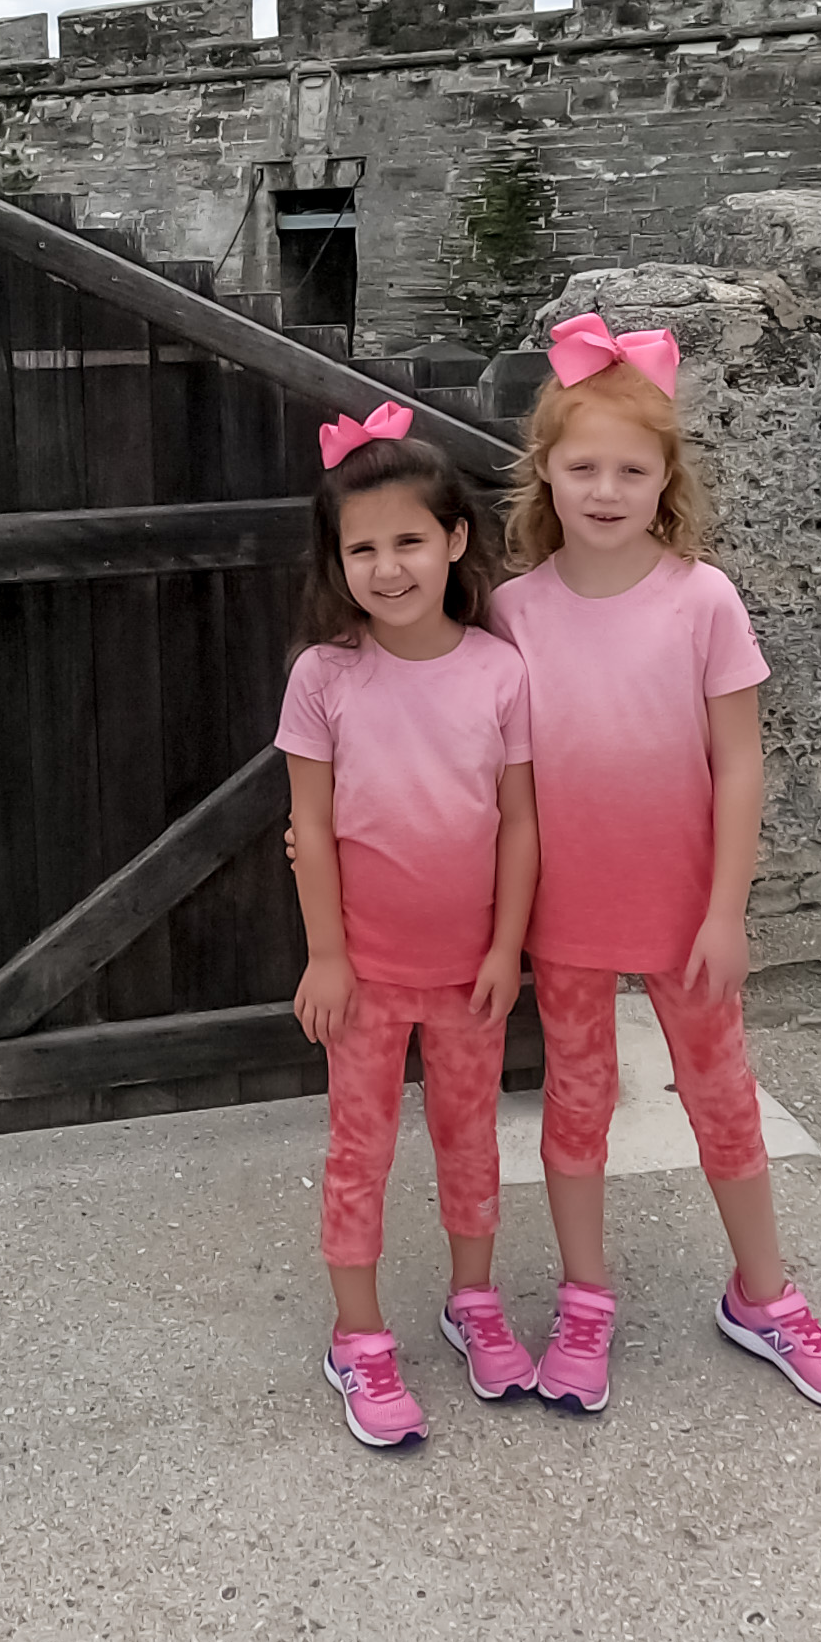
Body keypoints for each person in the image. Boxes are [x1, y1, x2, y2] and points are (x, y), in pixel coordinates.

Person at [485, 313, 821, 1419]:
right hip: (563, 917)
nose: (604, 489)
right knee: (575, 1104)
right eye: (582, 467)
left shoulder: (702, 599)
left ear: (665, 480)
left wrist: (725, 910)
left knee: (721, 1098)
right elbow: (488, 772)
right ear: (546, 475)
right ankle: (585, 1301)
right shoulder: (513, 613)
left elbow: (739, 764)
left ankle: (763, 1296)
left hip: (681, 911)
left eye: (630, 469)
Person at [277, 403, 541, 1452]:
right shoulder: (323, 678)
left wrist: (507, 945)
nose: (387, 568)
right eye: (362, 548)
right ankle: (358, 1335)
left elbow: (519, 820)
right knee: (362, 1151)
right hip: (367, 978)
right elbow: (308, 819)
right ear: (336, 562)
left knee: (472, 1142)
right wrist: (328, 957)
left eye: (408, 541)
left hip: (469, 973)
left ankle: (473, 1302)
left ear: (455, 542)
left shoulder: (498, 670)